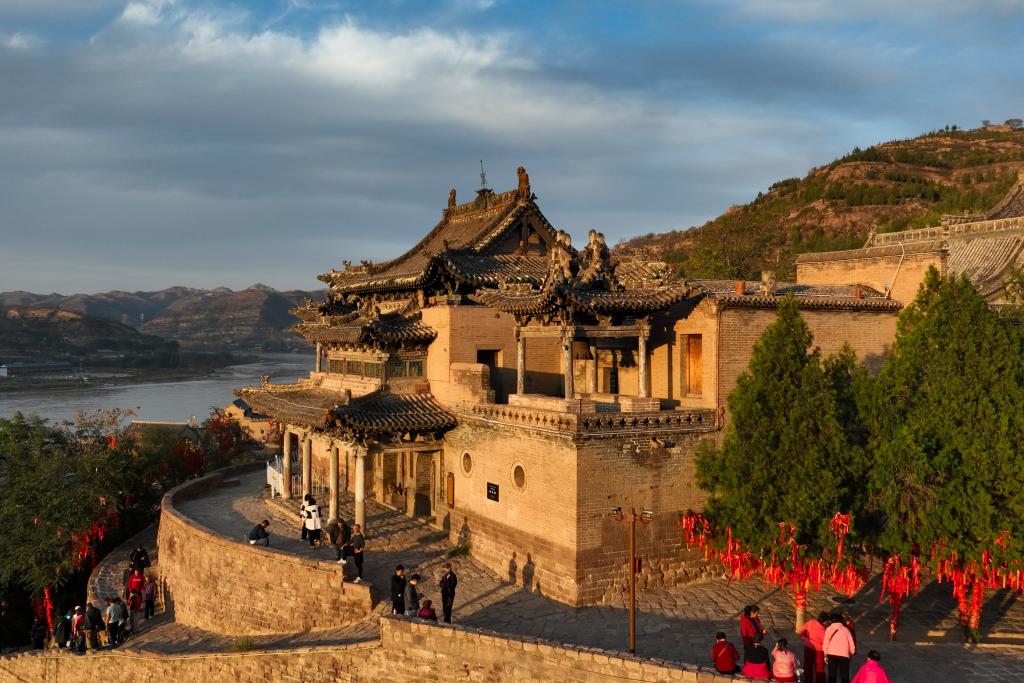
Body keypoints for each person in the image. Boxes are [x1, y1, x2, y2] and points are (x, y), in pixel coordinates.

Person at [823, 611, 856, 683]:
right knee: (845, 676)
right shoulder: (846, 630)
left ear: (831, 621)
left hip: (831, 654)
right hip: (844, 655)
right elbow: (851, 643)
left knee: (832, 676)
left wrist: (825, 654)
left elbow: (826, 643)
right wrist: (852, 652)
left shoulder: (828, 629)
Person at [800, 611, 828, 683]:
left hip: (807, 647)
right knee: (819, 668)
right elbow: (825, 643)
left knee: (808, 666)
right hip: (818, 651)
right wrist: (826, 653)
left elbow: (802, 630)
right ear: (825, 621)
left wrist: (804, 638)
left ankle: (808, 680)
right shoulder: (823, 630)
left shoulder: (811, 622)